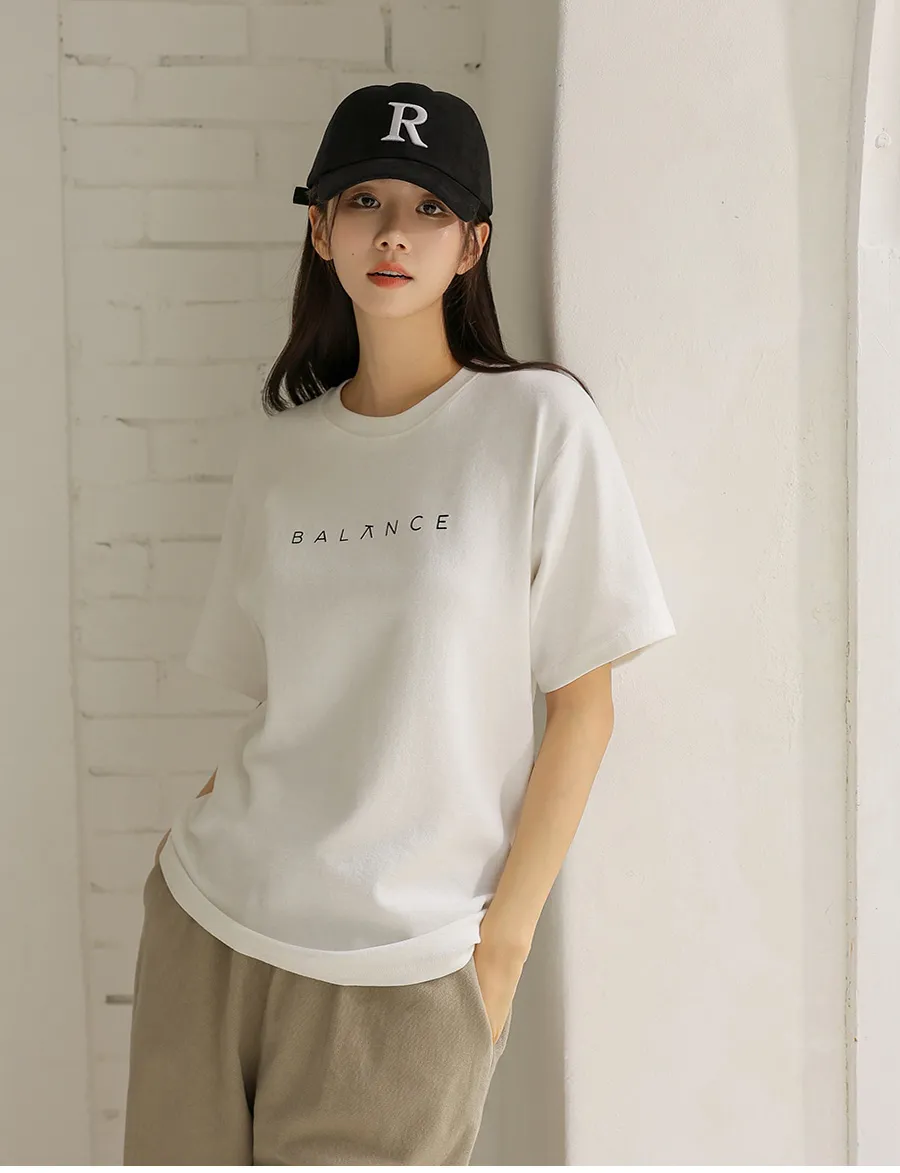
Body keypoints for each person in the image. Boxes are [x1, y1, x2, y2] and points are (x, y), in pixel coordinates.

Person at [123, 80, 677, 1165]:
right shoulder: (283, 449)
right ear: (320, 229)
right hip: (211, 924)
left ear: (473, 245)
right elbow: (286, 702)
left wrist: (500, 953)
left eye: (429, 208)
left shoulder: (537, 425)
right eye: (365, 201)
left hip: (406, 970)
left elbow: (584, 708)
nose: (393, 233)